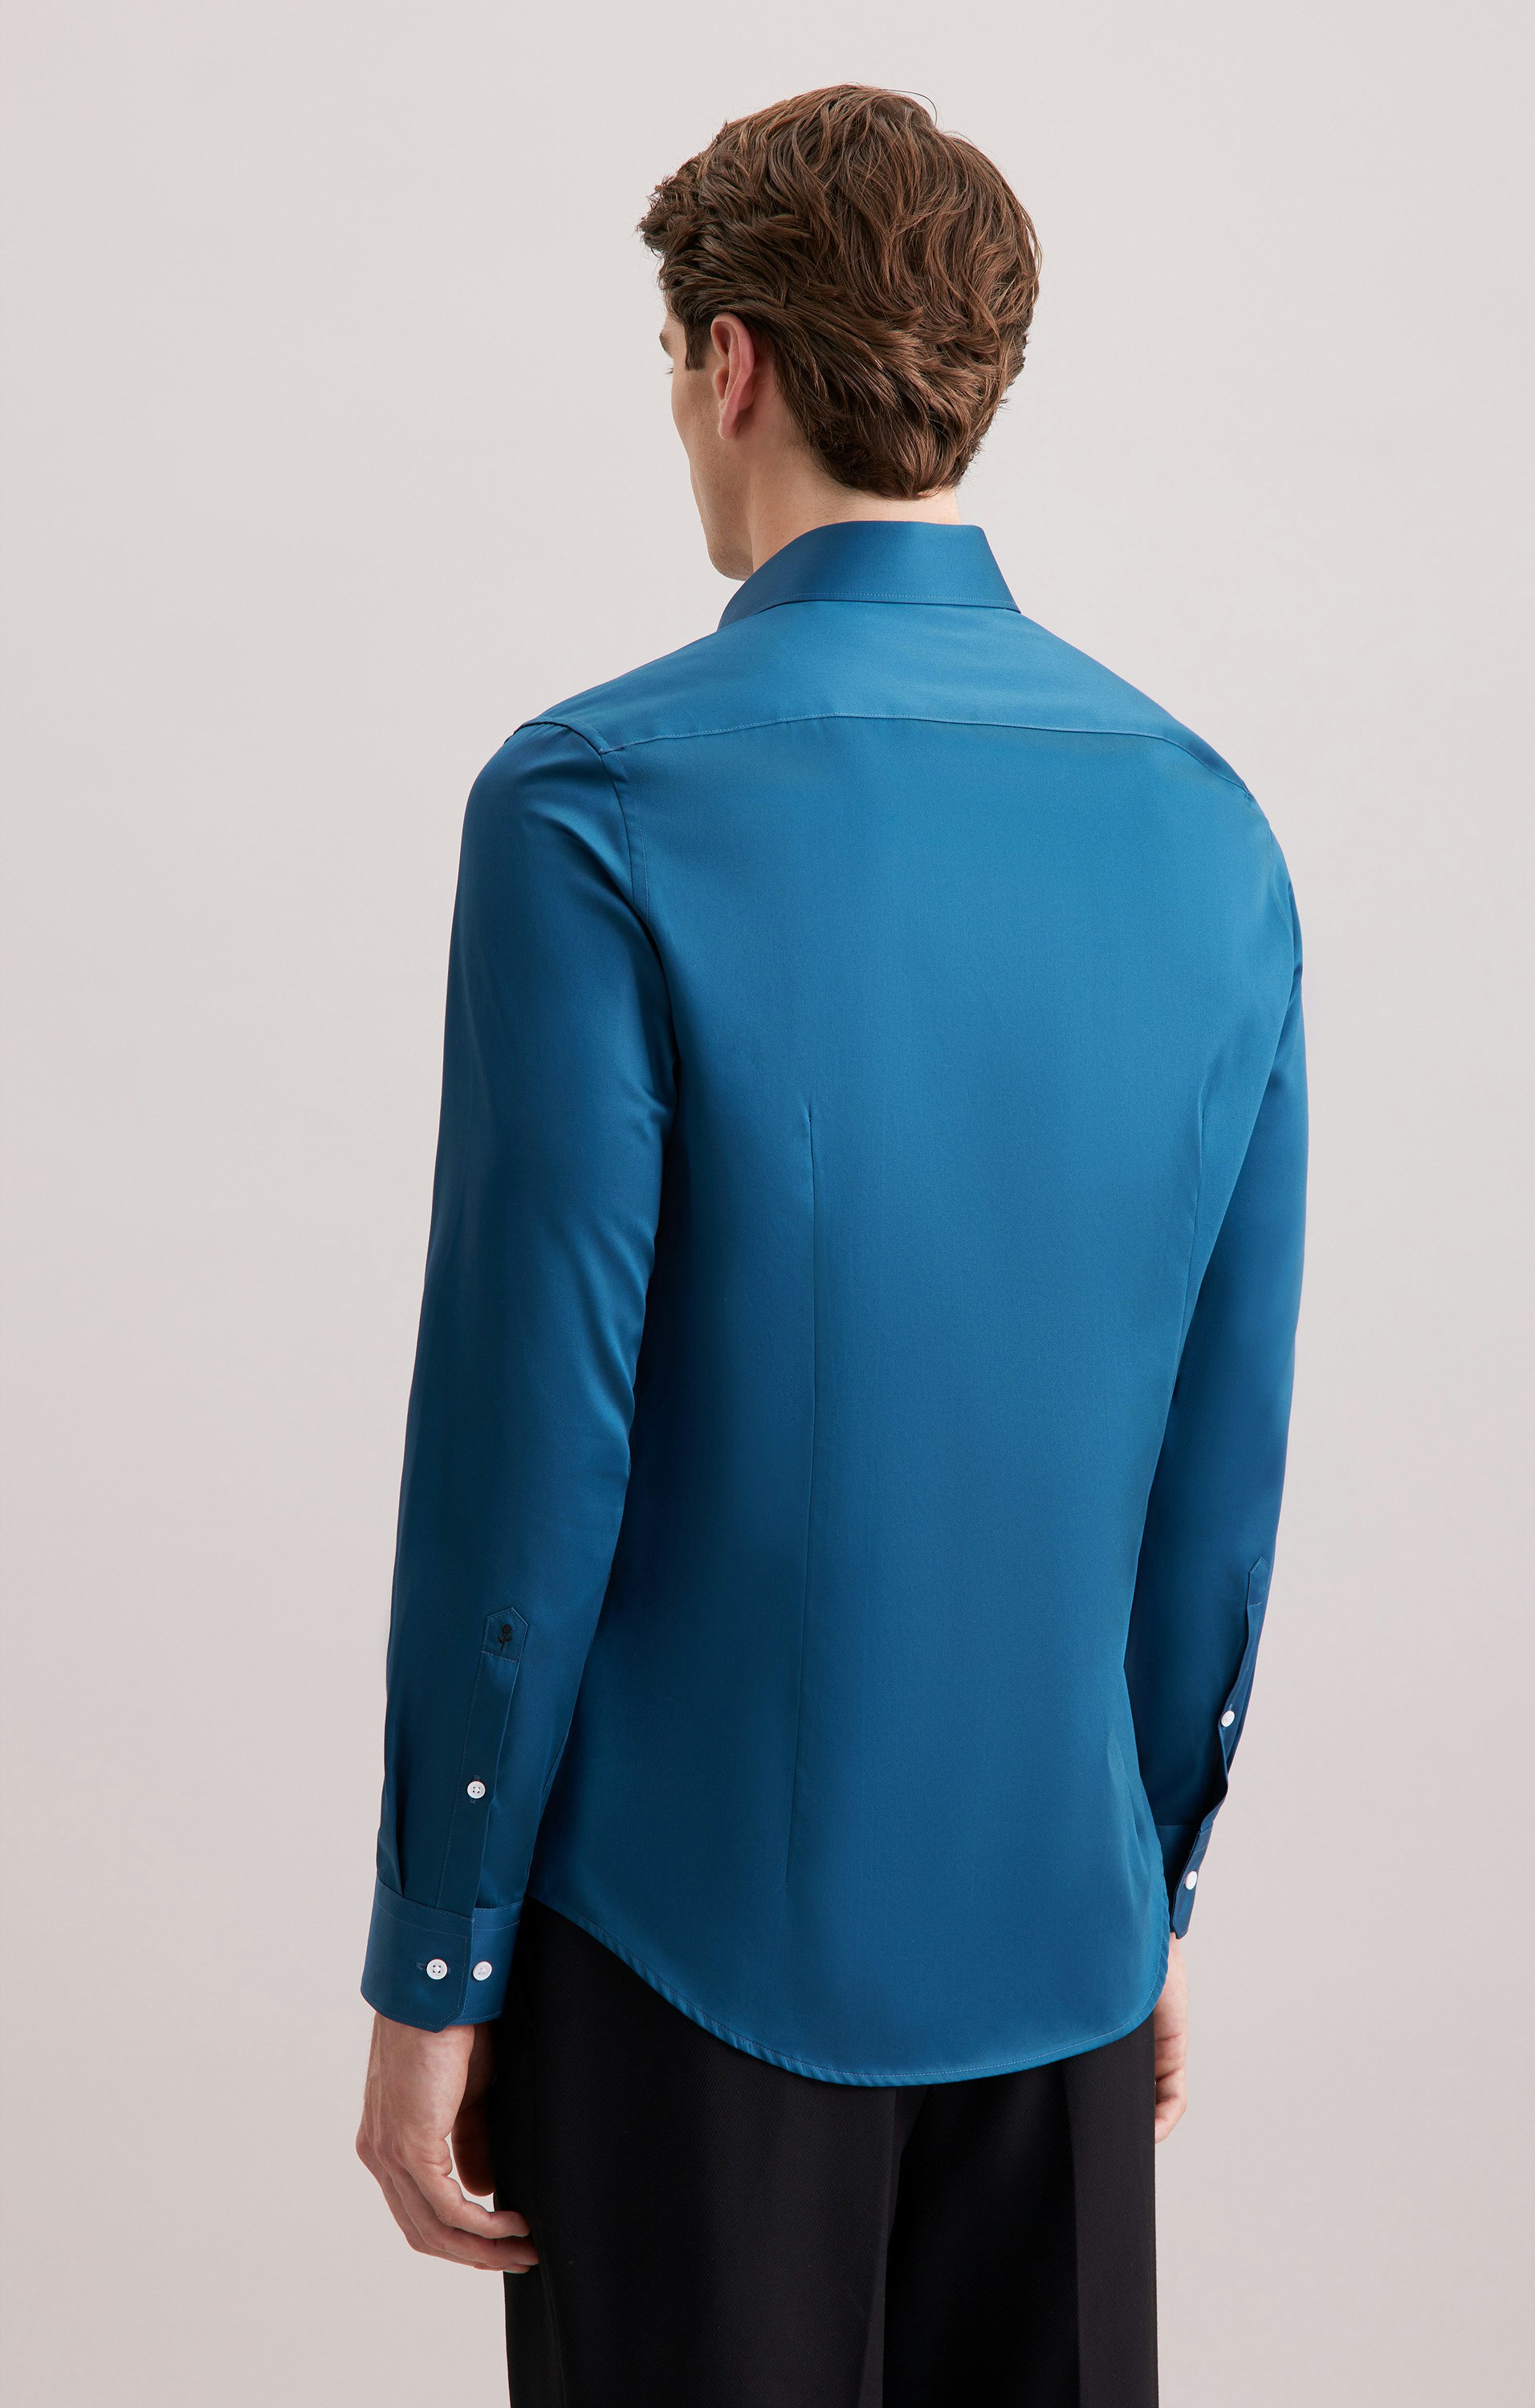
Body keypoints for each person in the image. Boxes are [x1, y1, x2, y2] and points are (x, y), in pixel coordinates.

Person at [355, 83, 1306, 2408]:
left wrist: (438, 1957)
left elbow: (531, 1437)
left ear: (733, 362)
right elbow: (1221, 1456)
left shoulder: (597, 802)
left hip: (680, 1952)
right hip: (1059, 1945)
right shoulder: (1206, 825)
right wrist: (1145, 1877)